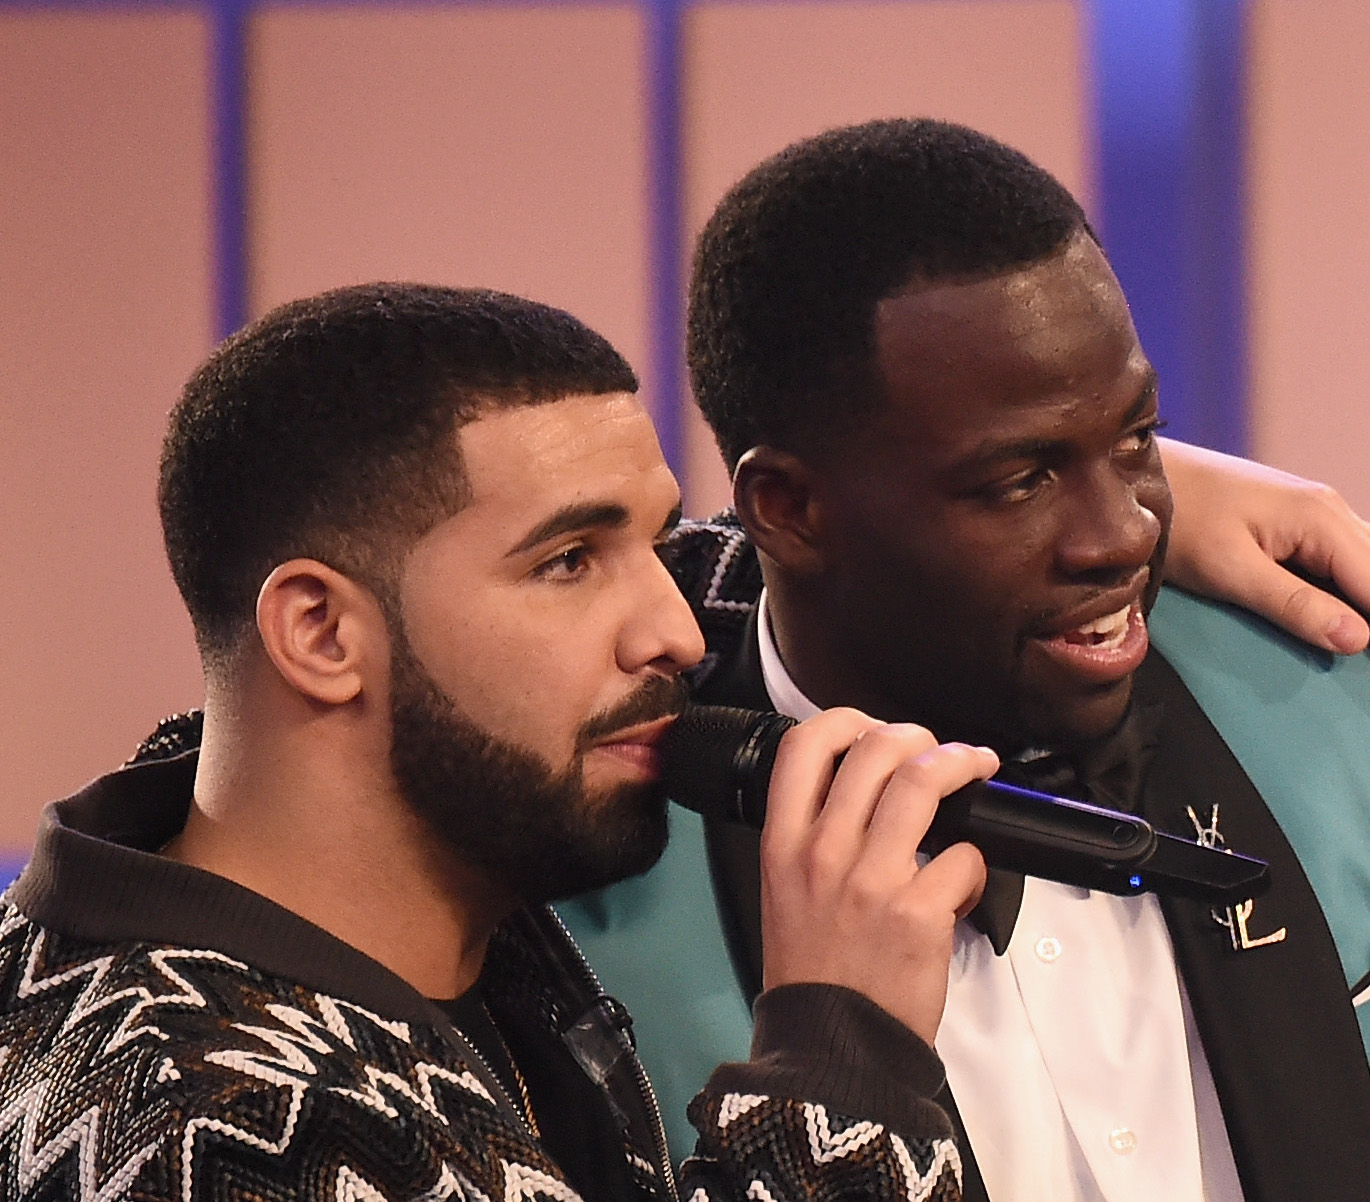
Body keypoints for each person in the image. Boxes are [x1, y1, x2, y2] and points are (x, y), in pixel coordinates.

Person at [563, 120, 1370, 1202]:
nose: (1121, 533)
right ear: (787, 508)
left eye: (1137, 440)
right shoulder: (577, 878)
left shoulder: (1362, 713)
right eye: (1019, 479)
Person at [0, 283, 1006, 1201]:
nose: (677, 630)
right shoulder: (212, 1118)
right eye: (570, 559)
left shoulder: (237, 842)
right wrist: (839, 1064)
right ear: (319, 632)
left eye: (652, 547)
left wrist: (1139, 500)